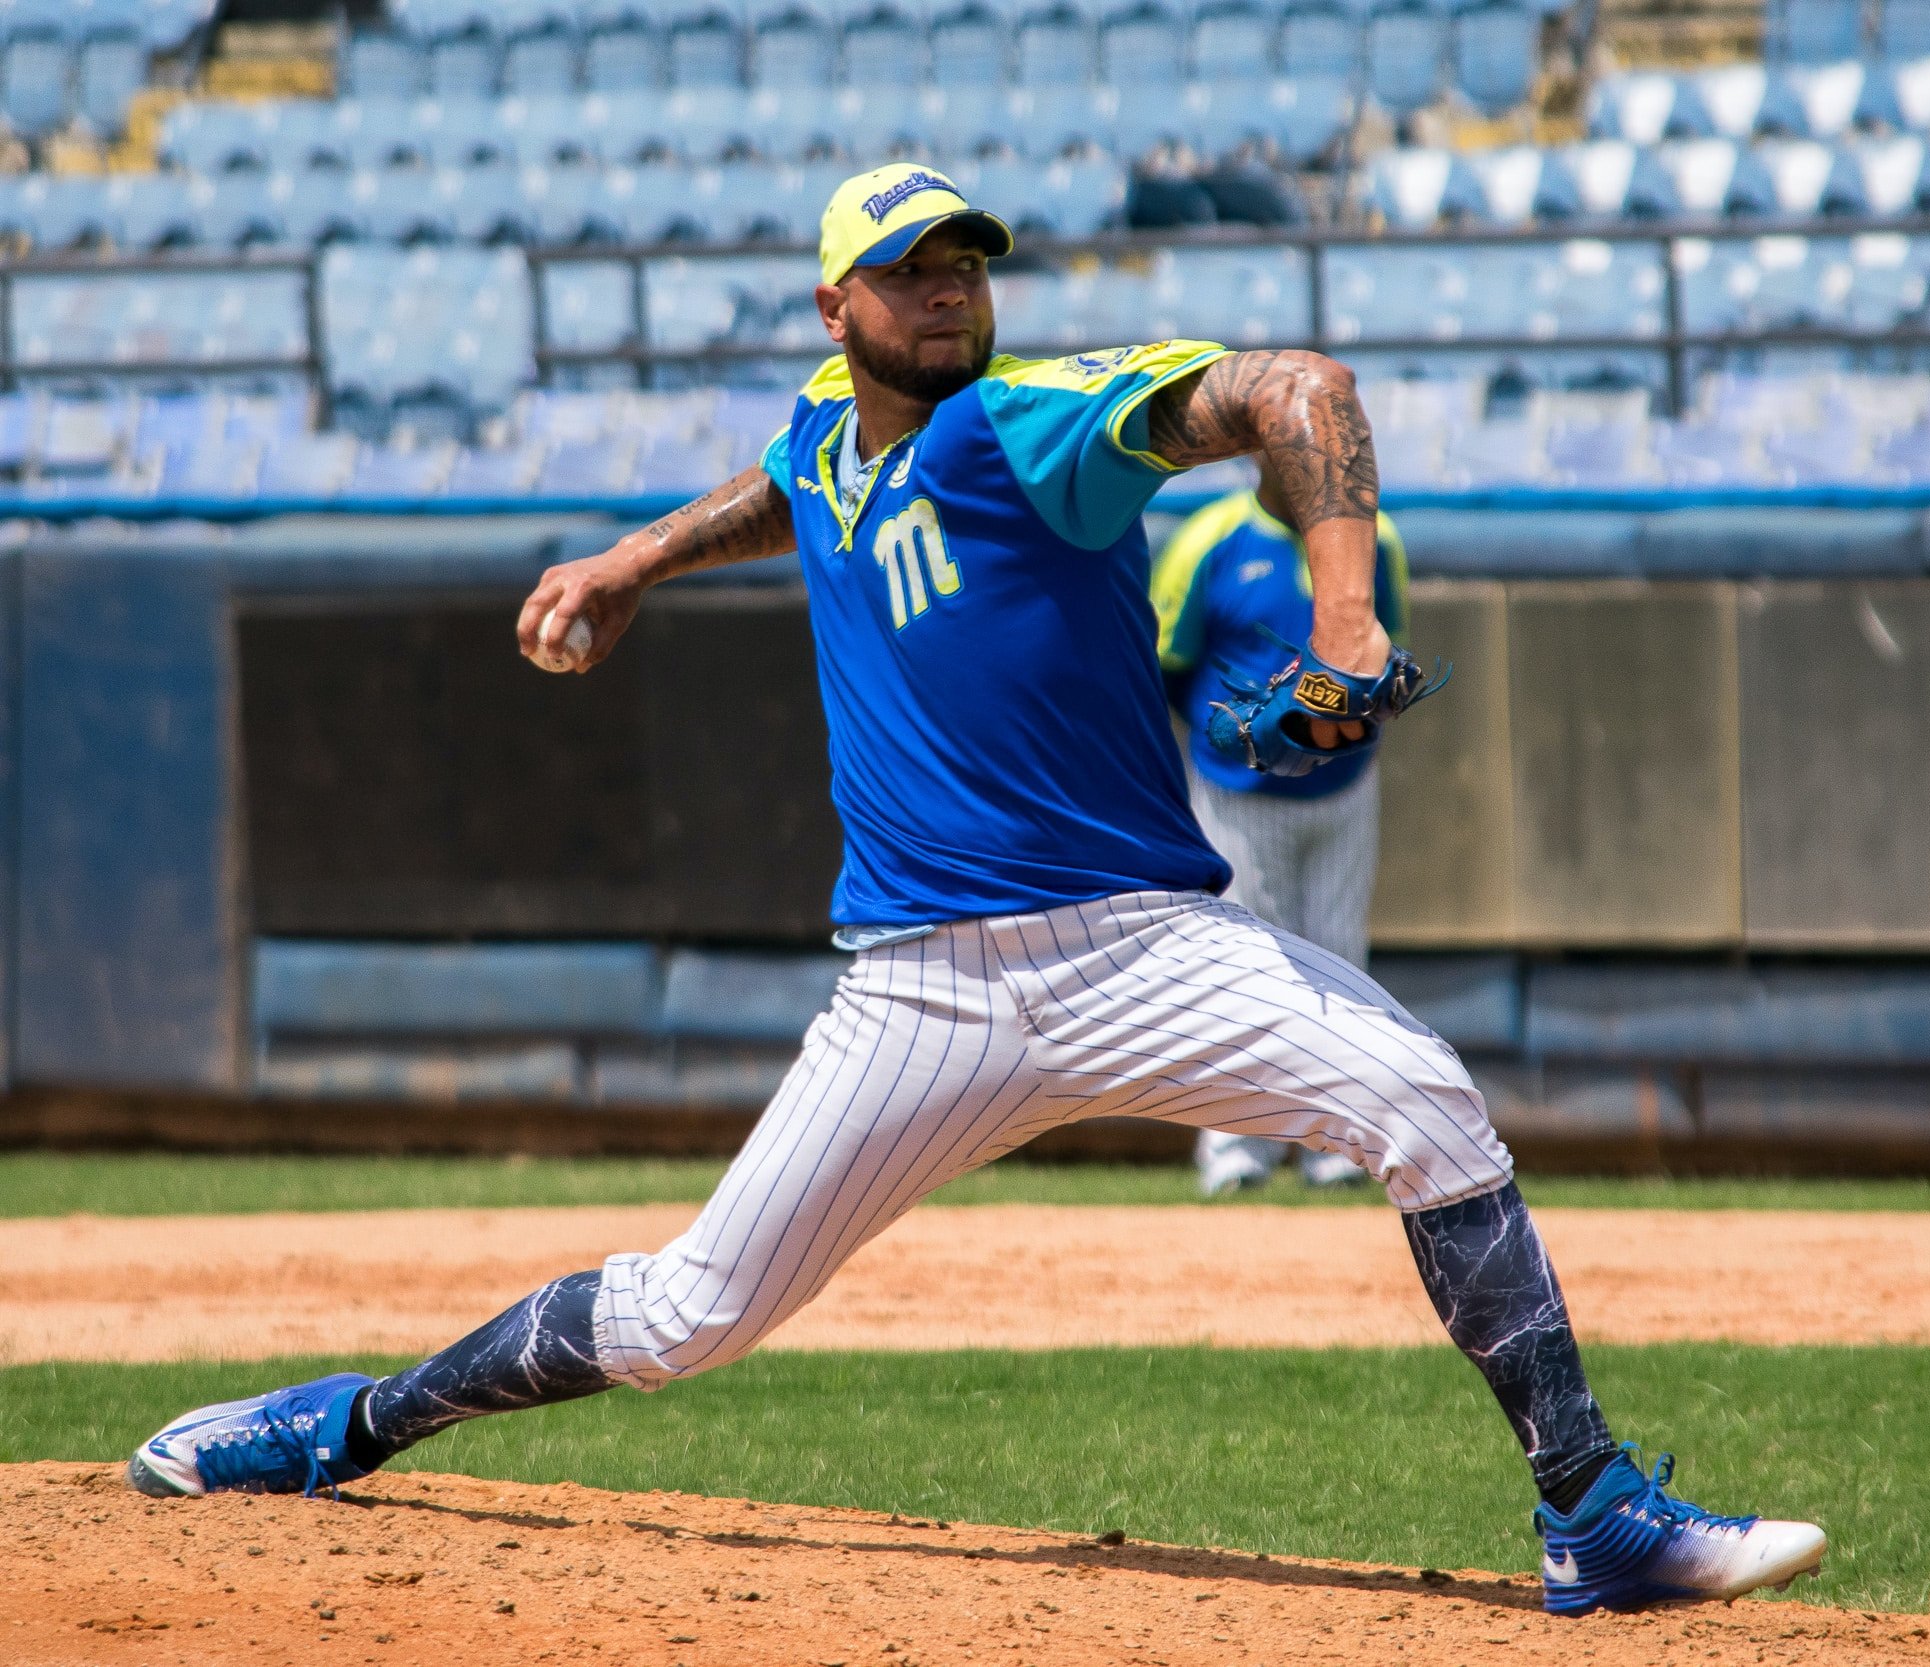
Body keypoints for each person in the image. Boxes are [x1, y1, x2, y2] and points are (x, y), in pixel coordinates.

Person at [126, 164, 1825, 1614]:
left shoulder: (1036, 421)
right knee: (678, 1317)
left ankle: (1592, 1517)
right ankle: (349, 1422)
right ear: (834, 305)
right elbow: (785, 481)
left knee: (1427, 1103)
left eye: (966, 263)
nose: (949, 289)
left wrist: (1344, 615)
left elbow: (1297, 389)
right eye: (910, 267)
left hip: (1143, 944)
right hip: (917, 993)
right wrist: (636, 555)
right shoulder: (827, 439)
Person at [1153, 467, 1406, 1196]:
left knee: (1340, 961)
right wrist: (1228, 733)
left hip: (1343, 787)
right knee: (1243, 967)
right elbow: (1167, 661)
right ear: (1260, 447)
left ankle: (1337, 1142)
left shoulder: (1375, 538)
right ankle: (1237, 1147)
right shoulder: (1212, 538)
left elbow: (1387, 657)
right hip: (1238, 792)